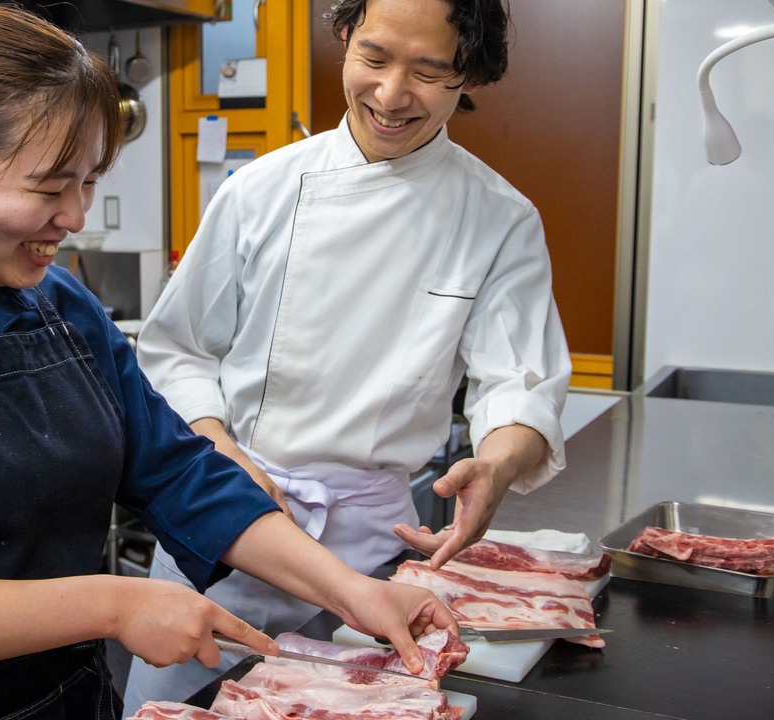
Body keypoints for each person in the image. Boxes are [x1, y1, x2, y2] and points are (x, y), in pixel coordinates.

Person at [0, 6, 457, 719]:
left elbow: (179, 472)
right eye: (49, 187)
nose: (75, 216)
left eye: (89, 181)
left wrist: (354, 592)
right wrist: (115, 604)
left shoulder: (59, 305)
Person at [122, 0, 572, 711]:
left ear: (469, 74)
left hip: (371, 556)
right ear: (344, 37)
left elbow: (520, 383)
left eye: (429, 72)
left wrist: (496, 464)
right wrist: (218, 447)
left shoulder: (498, 217)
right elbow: (176, 351)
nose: (391, 95)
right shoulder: (258, 191)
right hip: (224, 523)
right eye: (374, 58)